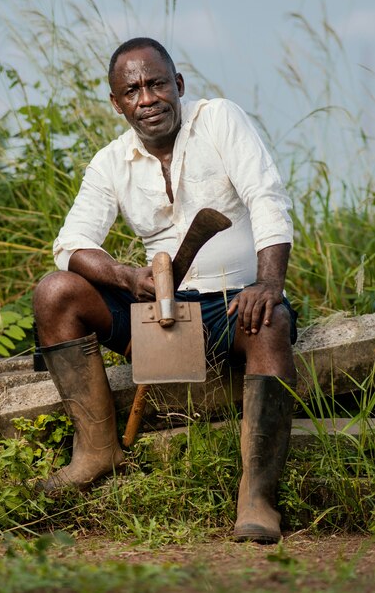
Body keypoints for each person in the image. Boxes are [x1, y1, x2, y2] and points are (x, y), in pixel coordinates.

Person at [34, 37, 298, 544]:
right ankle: (96, 452)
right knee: (55, 291)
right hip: (159, 314)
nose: (147, 98)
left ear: (177, 85)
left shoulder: (219, 119)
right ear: (117, 103)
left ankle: (257, 498)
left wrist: (268, 282)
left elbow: (266, 196)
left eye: (157, 84)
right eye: (132, 90)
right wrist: (125, 276)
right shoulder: (110, 161)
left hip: (232, 305)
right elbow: (70, 244)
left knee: (272, 319)